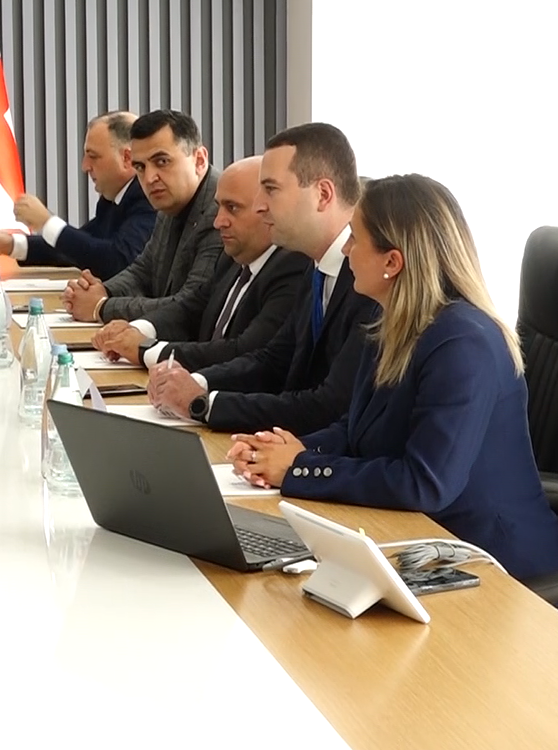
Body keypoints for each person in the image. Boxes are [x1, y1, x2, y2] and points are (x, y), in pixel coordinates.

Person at [231, 175, 558, 580]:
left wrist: (299, 469)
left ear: (392, 262)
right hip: (421, 540)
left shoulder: (463, 343)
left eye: (354, 238)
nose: (345, 249)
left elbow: (425, 483)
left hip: (492, 561)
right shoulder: (391, 322)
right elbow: (355, 430)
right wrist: (287, 449)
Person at [147, 122, 378, 434]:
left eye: (270, 189)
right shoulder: (317, 266)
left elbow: (330, 405)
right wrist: (195, 382)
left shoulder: (369, 278)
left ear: (323, 194)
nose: (259, 205)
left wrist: (204, 403)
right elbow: (274, 360)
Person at [91, 156, 310, 371]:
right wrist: (137, 330)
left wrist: (146, 349)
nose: (218, 222)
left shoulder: (293, 268)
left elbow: (243, 351)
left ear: (268, 209)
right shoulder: (231, 258)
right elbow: (190, 308)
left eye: (233, 208)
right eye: (218, 207)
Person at [60, 109, 226, 322]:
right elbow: (143, 271)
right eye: (140, 167)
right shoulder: (169, 203)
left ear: (199, 160)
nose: (149, 178)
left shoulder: (220, 210)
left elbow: (190, 306)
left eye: (162, 162)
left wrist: (101, 307)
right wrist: (103, 290)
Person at [0, 111, 155, 278]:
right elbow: (79, 248)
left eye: (93, 156)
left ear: (127, 158)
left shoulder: (147, 197)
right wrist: (8, 244)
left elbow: (118, 262)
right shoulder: (113, 199)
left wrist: (46, 222)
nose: (85, 166)